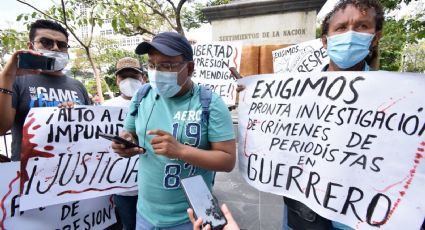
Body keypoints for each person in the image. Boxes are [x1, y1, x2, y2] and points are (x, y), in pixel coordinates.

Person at [111, 32, 236, 229]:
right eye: (152, 65)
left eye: (167, 66)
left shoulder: (210, 103)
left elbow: (228, 161)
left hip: (192, 218)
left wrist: (181, 151)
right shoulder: (142, 96)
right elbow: (130, 133)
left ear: (190, 68)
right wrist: (125, 143)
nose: (157, 71)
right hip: (145, 214)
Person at [283, 0, 384, 229]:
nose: (350, 34)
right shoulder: (295, 91)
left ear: (375, 37)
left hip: (359, 217)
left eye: (361, 26)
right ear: (325, 41)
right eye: (341, 28)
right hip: (302, 211)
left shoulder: (397, 97)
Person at [0, 19, 91, 161]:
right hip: (29, 176)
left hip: (73, 172)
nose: (55, 48)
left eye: (62, 45)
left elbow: (90, 130)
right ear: (31, 46)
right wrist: (6, 76)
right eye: (46, 42)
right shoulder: (16, 81)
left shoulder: (78, 86)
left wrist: (74, 116)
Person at [103, 57, 146, 230]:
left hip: (150, 185)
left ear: (143, 78)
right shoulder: (105, 107)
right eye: (124, 76)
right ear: (117, 80)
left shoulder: (154, 103)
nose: (129, 81)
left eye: (134, 76)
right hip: (122, 187)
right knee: (129, 226)